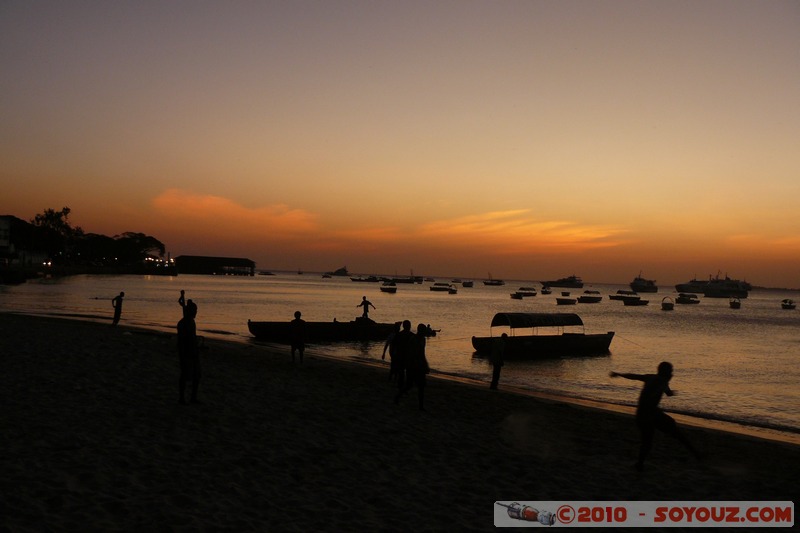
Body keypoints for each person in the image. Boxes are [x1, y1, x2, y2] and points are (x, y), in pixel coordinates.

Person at [610, 362, 702, 471]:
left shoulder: (652, 377)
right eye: (670, 370)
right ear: (665, 371)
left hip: (643, 413)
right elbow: (660, 391)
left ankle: (640, 463)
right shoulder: (661, 381)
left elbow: (634, 376)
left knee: (650, 439)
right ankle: (696, 454)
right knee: (659, 436)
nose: (672, 373)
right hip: (649, 414)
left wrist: (619, 374)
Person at [396, 323, 431, 411]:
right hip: (412, 366)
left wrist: (425, 365)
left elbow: (422, 353)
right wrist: (409, 364)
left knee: (421, 387)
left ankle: (421, 406)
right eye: (423, 331)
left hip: (420, 366)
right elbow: (409, 353)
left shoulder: (423, 340)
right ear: (420, 331)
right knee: (409, 385)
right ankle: (397, 397)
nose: (424, 333)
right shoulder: (413, 339)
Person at [177, 300, 201, 404]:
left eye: (196, 310)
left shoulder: (191, 321)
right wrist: (182, 355)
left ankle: (193, 398)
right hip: (186, 353)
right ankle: (182, 398)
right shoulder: (183, 323)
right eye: (195, 310)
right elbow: (181, 341)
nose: (196, 312)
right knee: (185, 375)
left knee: (197, 376)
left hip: (194, 352)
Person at [392, 320, 414, 398]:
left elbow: (394, 345)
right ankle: (403, 389)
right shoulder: (411, 335)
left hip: (400, 356)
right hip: (406, 357)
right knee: (406, 374)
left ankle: (401, 388)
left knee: (402, 374)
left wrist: (394, 355)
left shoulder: (399, 335)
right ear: (409, 326)